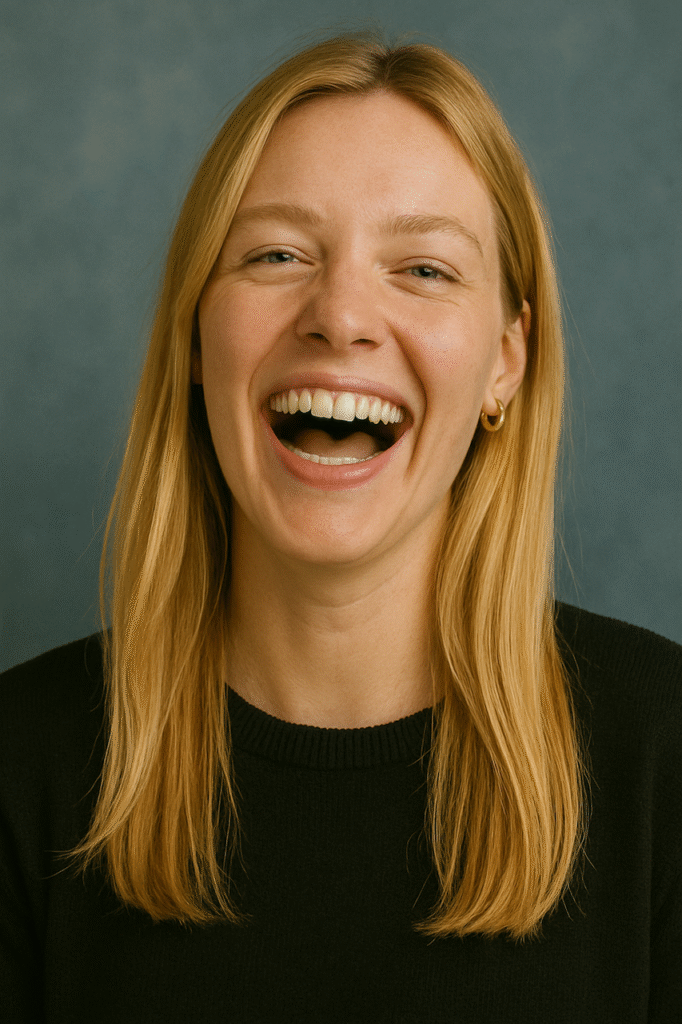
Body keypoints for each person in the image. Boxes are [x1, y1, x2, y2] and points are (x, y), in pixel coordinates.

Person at [1, 32, 680, 1024]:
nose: (341, 315)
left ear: (505, 361)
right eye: (277, 254)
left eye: (424, 269)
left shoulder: (663, 754)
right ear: (196, 334)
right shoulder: (19, 766)